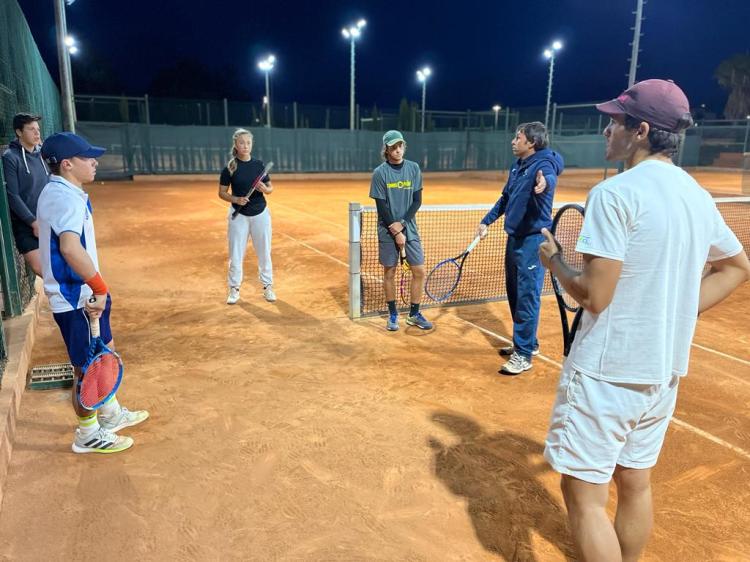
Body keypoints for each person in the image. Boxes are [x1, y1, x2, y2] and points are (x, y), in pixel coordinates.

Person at [539, 79, 750, 561]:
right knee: (635, 482)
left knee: (584, 497)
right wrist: (671, 309)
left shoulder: (613, 194)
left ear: (641, 131)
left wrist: (555, 262)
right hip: (663, 373)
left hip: (607, 372)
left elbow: (594, 296)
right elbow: (737, 268)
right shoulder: (696, 195)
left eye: (615, 121)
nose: (606, 130)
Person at [37, 132, 149, 454]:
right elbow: (70, 248)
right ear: (68, 164)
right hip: (78, 297)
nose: (94, 162)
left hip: (84, 292)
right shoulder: (65, 198)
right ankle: (87, 434)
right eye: (87, 158)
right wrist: (99, 288)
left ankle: (110, 414)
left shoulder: (61, 191)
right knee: (88, 366)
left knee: (103, 355)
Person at [475, 122, 563, 375]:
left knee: (527, 296)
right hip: (514, 238)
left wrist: (545, 183)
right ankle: (527, 343)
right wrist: (486, 221)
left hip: (533, 241)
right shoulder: (518, 166)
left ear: (531, 142)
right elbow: (505, 198)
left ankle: (523, 355)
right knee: (514, 293)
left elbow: (549, 175)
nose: (513, 141)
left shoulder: (543, 164)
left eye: (518, 138)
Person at [369, 130, 432, 331]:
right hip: (387, 231)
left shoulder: (413, 169)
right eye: (393, 147)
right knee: (390, 272)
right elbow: (381, 206)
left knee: (419, 271)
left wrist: (403, 224)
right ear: (386, 150)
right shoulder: (380, 173)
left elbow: (417, 201)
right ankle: (393, 314)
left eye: (400, 146)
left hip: (409, 229)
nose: (398, 150)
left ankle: (414, 314)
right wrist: (396, 232)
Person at [218, 129, 275, 304]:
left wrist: (265, 189)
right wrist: (236, 199)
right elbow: (222, 193)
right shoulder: (230, 167)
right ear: (236, 145)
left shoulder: (259, 165)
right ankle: (234, 289)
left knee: (264, 252)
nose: (245, 146)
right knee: (236, 254)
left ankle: (268, 286)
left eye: (248, 143)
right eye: (242, 143)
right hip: (238, 216)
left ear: (252, 145)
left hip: (260, 214)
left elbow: (270, 188)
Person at [1, 113, 50, 276]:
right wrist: (33, 223)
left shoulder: (43, 154)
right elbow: (12, 195)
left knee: (58, 265)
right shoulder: (10, 157)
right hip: (25, 223)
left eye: (38, 129)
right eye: (31, 129)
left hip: (49, 218)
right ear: (19, 132)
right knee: (41, 269)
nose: (37, 133)